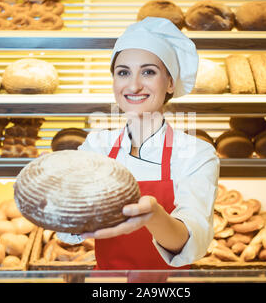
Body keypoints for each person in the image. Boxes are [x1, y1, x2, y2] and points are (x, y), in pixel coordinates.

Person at [58, 17, 220, 270]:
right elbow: (66, 230)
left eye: (148, 72)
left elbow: (192, 243)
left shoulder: (196, 153)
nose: (133, 85)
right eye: (123, 72)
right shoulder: (97, 146)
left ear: (170, 83)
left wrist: (153, 216)